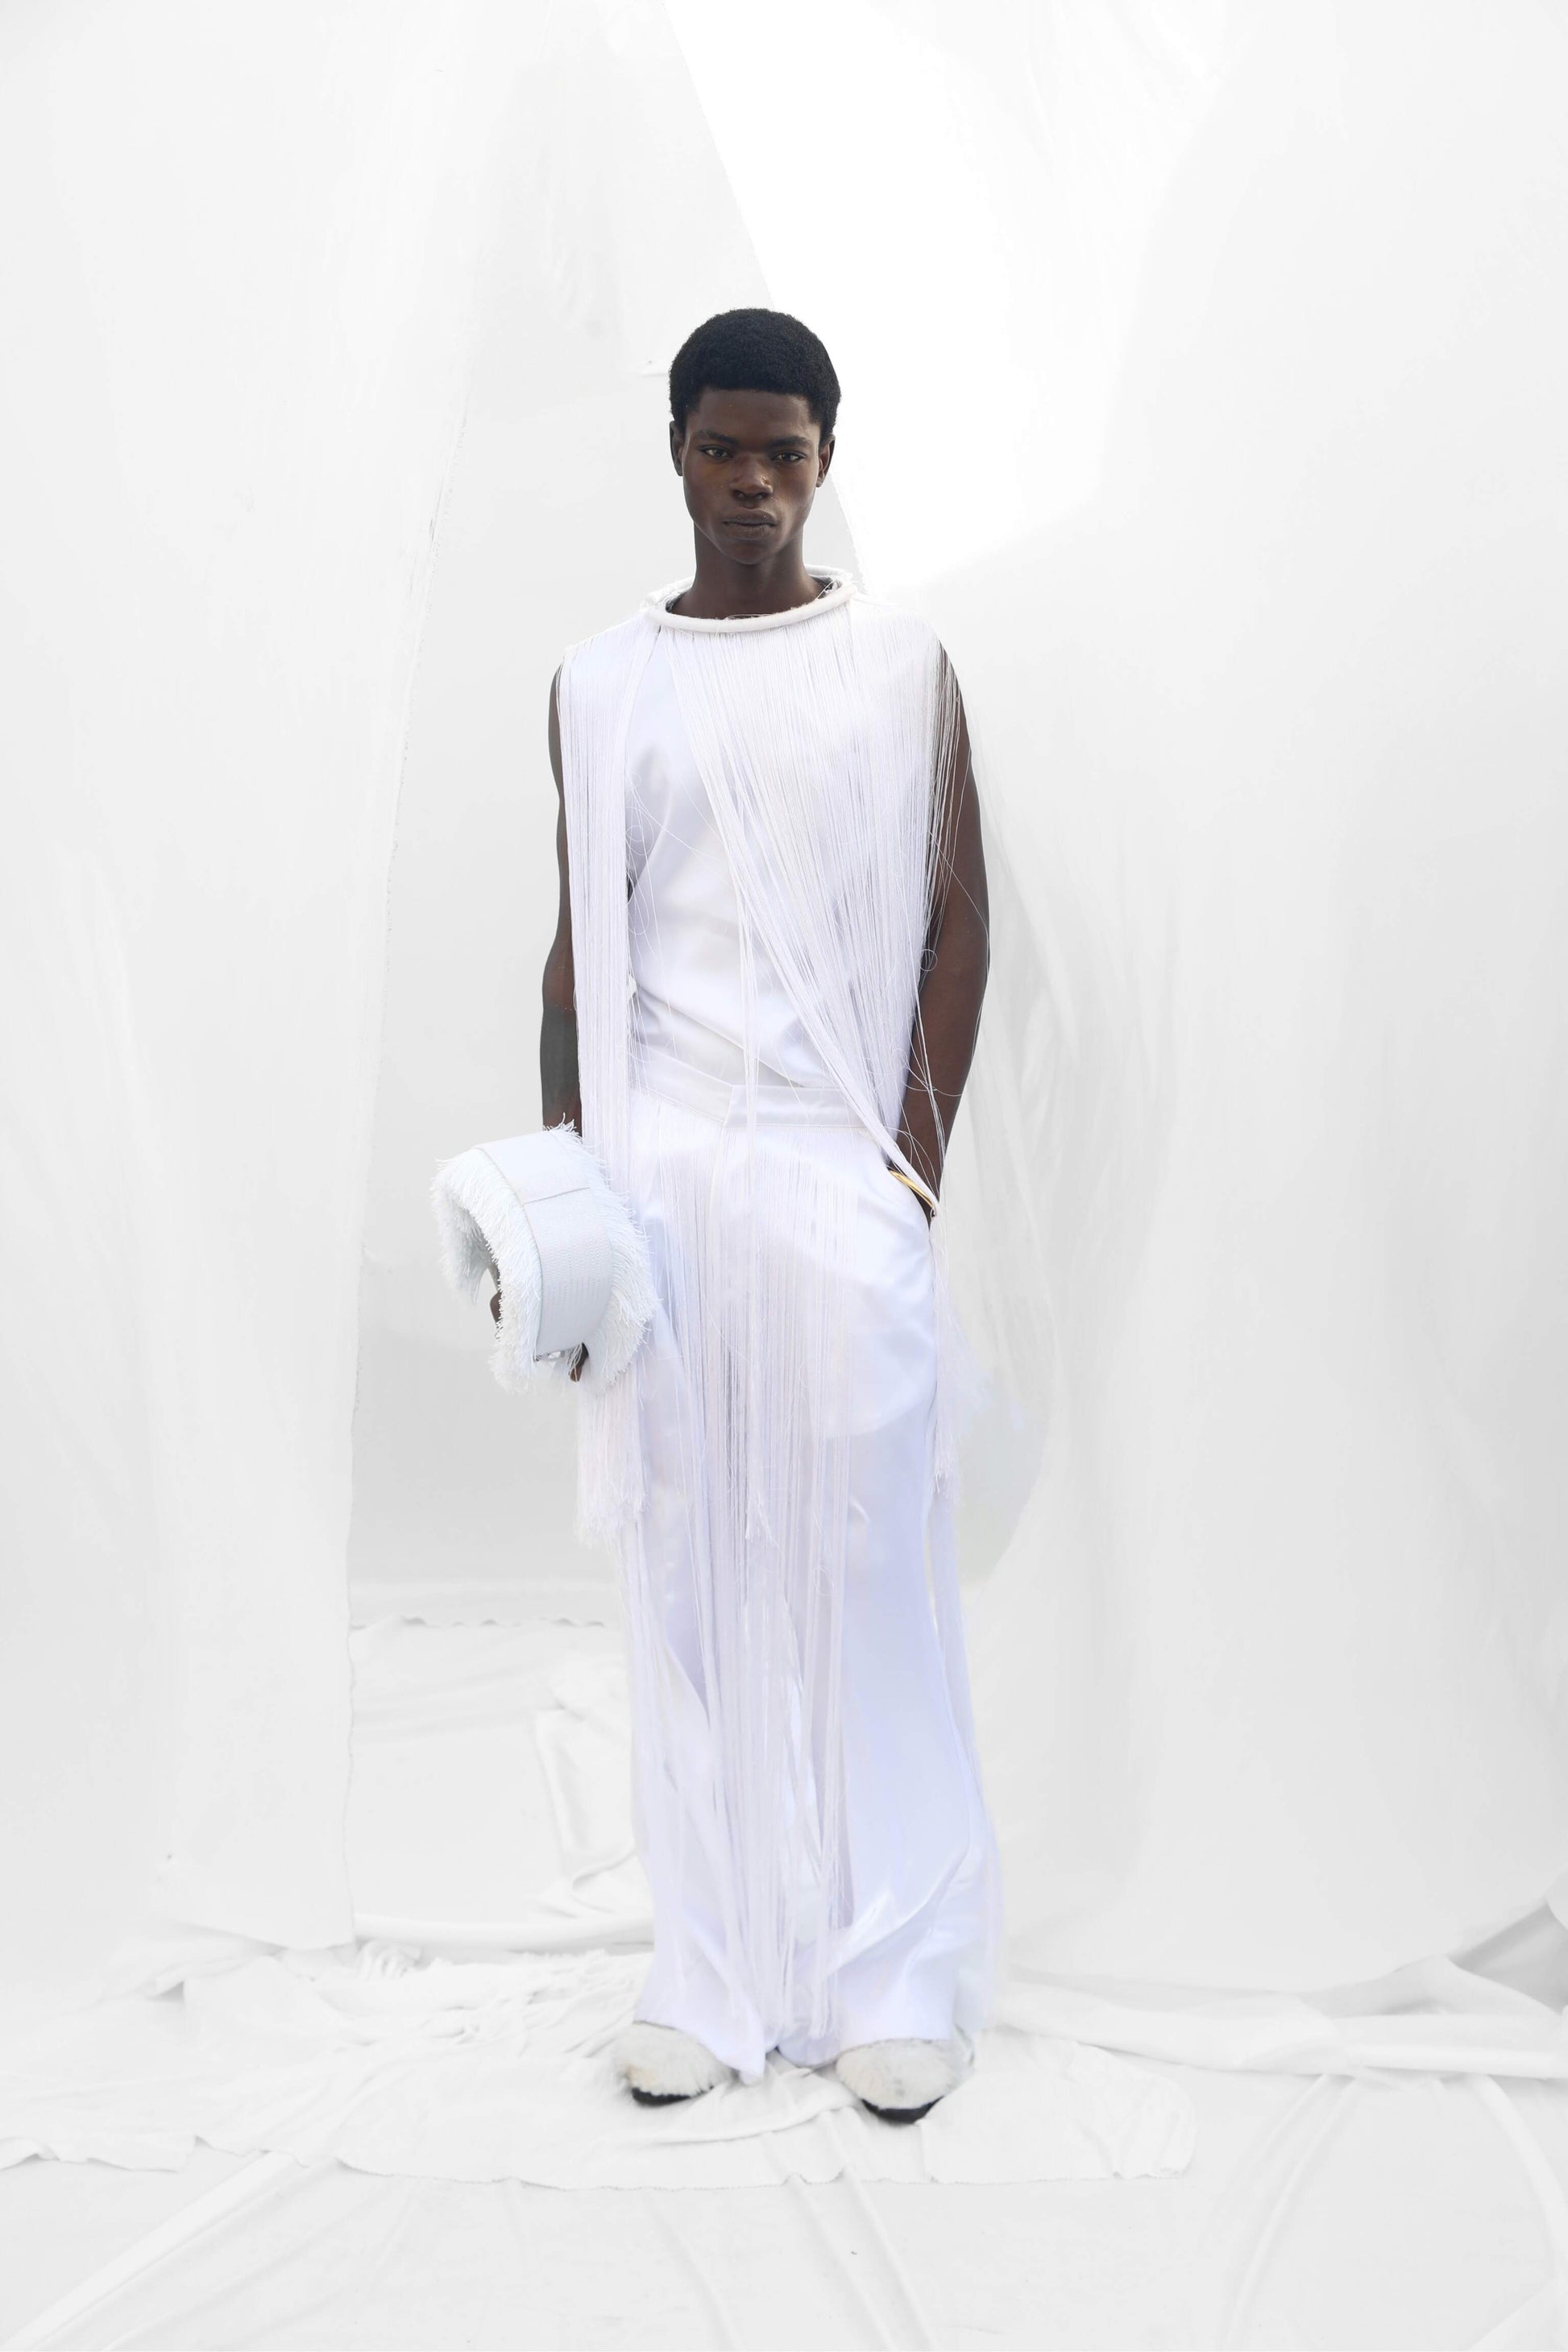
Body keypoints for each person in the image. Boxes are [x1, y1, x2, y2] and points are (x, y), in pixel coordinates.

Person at [534, 309, 998, 2122]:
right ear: (676, 451)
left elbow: (959, 926)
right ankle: (708, 1969)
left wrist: (906, 1174)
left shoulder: (898, 667)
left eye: (782, 453)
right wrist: (568, 1195)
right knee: (689, 1572)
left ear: (824, 460)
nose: (750, 483)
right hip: (660, 1184)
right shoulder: (601, 684)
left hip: (834, 1165)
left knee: (867, 1565)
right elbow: (580, 954)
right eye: (721, 448)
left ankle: (896, 1968)